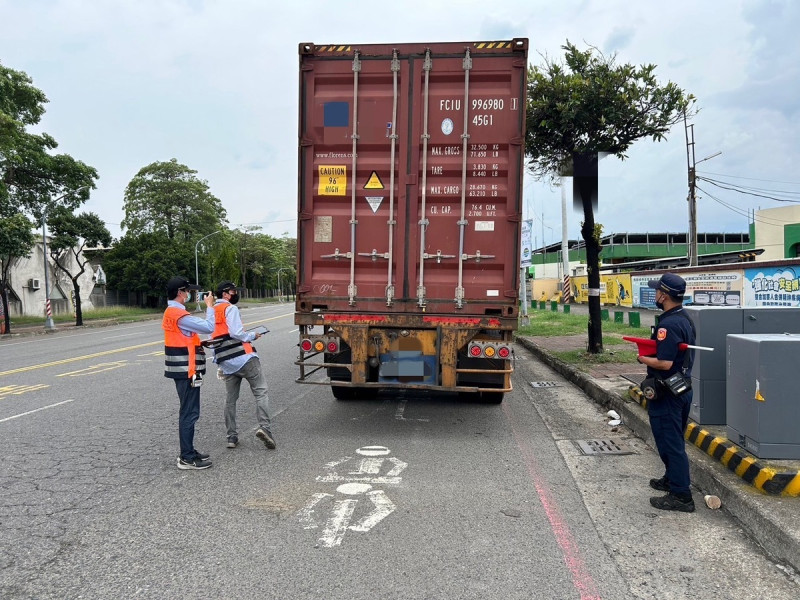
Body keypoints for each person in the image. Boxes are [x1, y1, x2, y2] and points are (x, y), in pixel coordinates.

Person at [637, 272, 696, 512]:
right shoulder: (683, 317)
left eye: (657, 291)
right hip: (681, 388)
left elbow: (665, 363)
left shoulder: (668, 325)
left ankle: (681, 496)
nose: (655, 294)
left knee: (670, 443)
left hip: (668, 393)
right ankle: (672, 479)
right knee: (674, 440)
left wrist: (642, 358)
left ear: (664, 295)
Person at [211, 281, 276, 450]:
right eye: (233, 291)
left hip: (226, 361)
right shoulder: (230, 309)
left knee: (230, 399)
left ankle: (231, 436)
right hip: (245, 358)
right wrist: (253, 335)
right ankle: (265, 429)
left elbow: (214, 335)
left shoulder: (211, 310)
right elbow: (236, 333)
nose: (235, 294)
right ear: (225, 294)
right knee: (261, 392)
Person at [163, 276, 216, 470]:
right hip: (187, 370)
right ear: (180, 292)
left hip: (182, 368)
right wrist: (210, 305)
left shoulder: (172, 312)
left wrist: (199, 344)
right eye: (187, 291)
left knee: (188, 411)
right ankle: (186, 457)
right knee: (189, 413)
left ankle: (189, 451)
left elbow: (183, 339)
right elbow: (209, 327)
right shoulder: (179, 315)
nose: (189, 295)